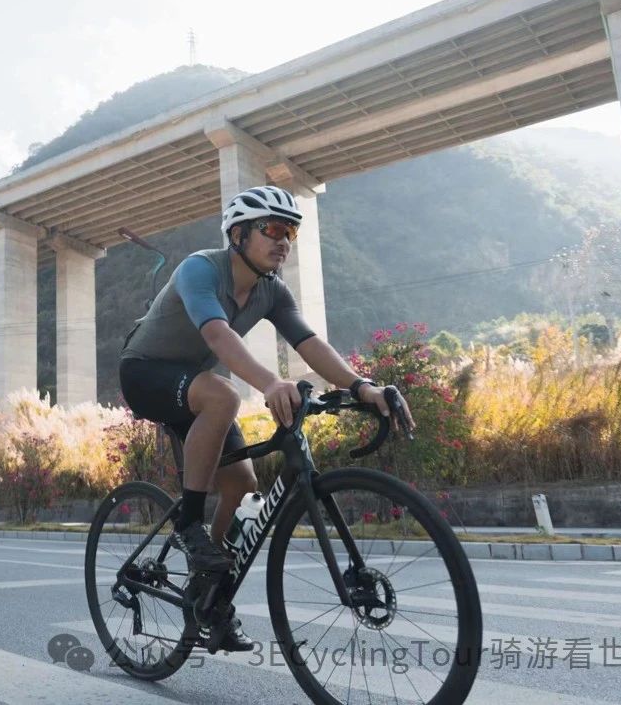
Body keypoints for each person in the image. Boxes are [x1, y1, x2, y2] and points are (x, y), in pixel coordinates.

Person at [118, 185, 415, 651]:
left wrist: (361, 386)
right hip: (145, 373)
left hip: (191, 384)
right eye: (272, 229)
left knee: (241, 484)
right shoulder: (200, 268)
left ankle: (206, 582)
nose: (283, 240)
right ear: (238, 234)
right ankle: (190, 527)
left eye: (290, 232)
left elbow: (309, 343)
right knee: (223, 395)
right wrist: (270, 383)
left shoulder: (271, 290)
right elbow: (217, 334)